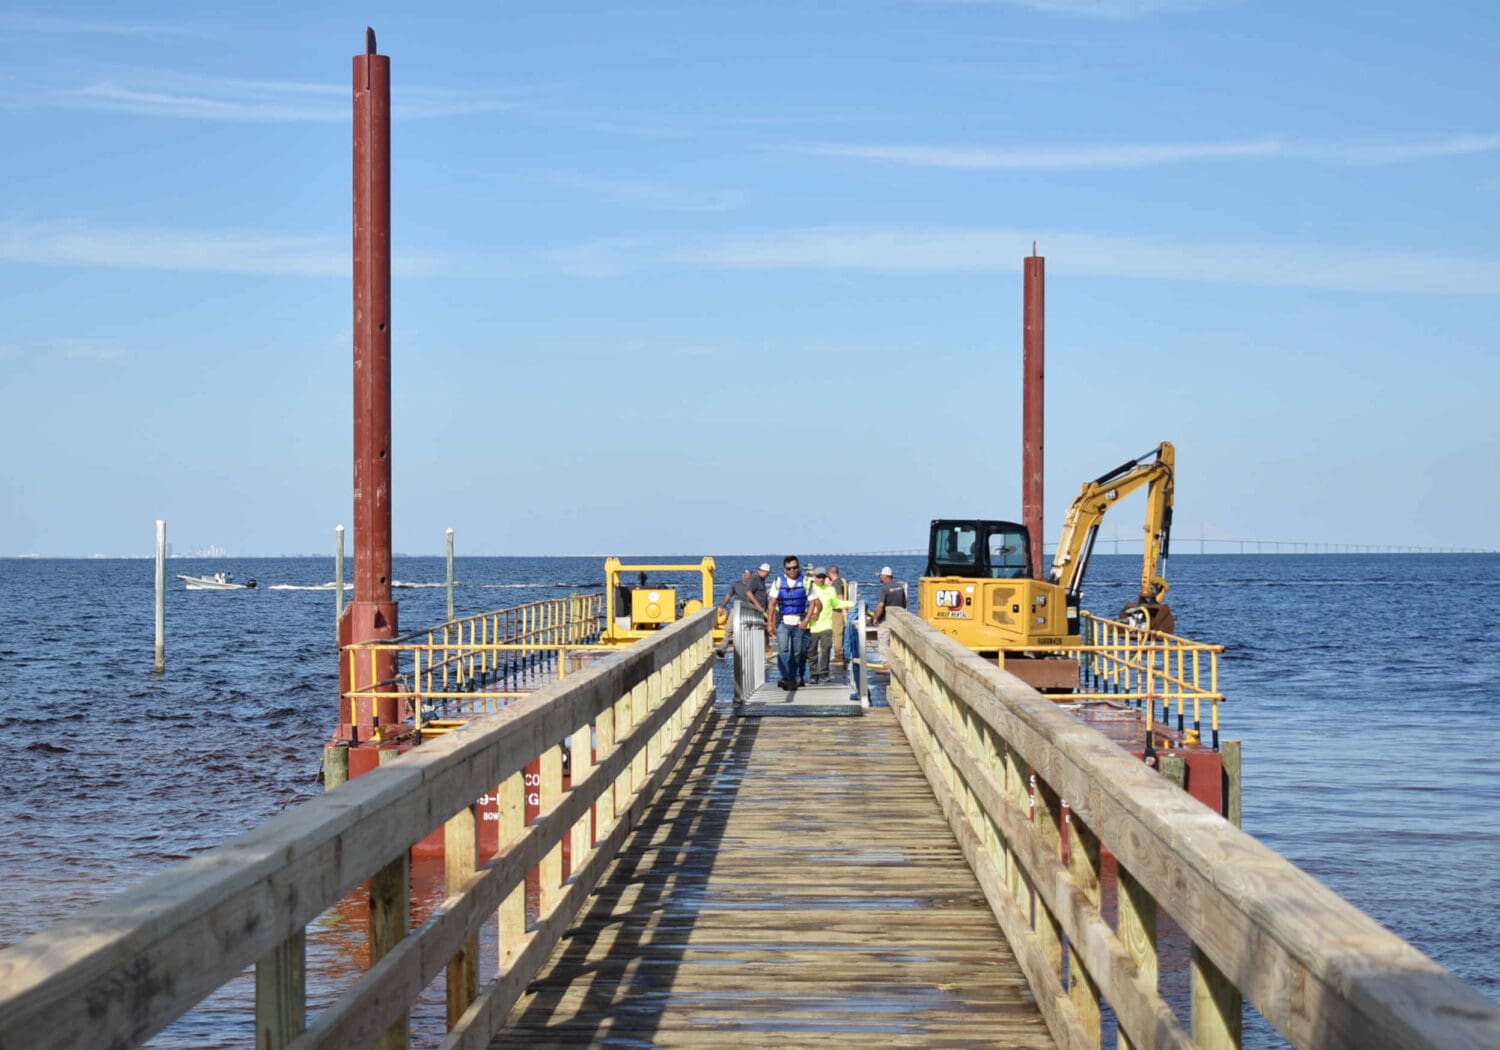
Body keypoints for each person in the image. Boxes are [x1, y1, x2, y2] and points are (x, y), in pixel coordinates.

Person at [765, 556, 811, 689]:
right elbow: (772, 604)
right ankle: (787, 677)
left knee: (798, 652)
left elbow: (813, 602)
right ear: (784, 569)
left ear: (799, 567)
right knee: (783, 650)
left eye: (795, 568)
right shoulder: (779, 581)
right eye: (789, 568)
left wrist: (807, 619)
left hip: (799, 621)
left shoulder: (806, 582)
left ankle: (795, 676)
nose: (792, 571)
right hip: (783, 622)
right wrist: (770, 624)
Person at [805, 567, 848, 684]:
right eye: (819, 577)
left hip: (826, 625)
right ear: (814, 577)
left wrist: (846, 607)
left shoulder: (830, 589)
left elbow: (837, 602)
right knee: (811, 651)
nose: (821, 579)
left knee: (826, 649)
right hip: (812, 626)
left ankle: (824, 673)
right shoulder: (809, 588)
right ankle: (813, 674)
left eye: (824, 577)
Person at [873, 565, 907, 663]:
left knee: (884, 643)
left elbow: (881, 605)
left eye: (880, 575)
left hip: (886, 620)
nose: (879, 577)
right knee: (895, 642)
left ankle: (886, 665)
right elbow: (905, 601)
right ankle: (896, 663)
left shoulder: (883, 589)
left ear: (885, 576)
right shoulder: (900, 587)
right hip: (898, 620)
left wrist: (876, 618)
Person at [826, 564, 849, 666]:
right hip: (838, 611)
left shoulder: (836, 584)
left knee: (837, 634)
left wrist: (843, 609)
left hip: (837, 612)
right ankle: (839, 655)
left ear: (830, 573)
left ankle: (838, 656)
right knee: (838, 633)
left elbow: (840, 596)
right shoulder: (841, 582)